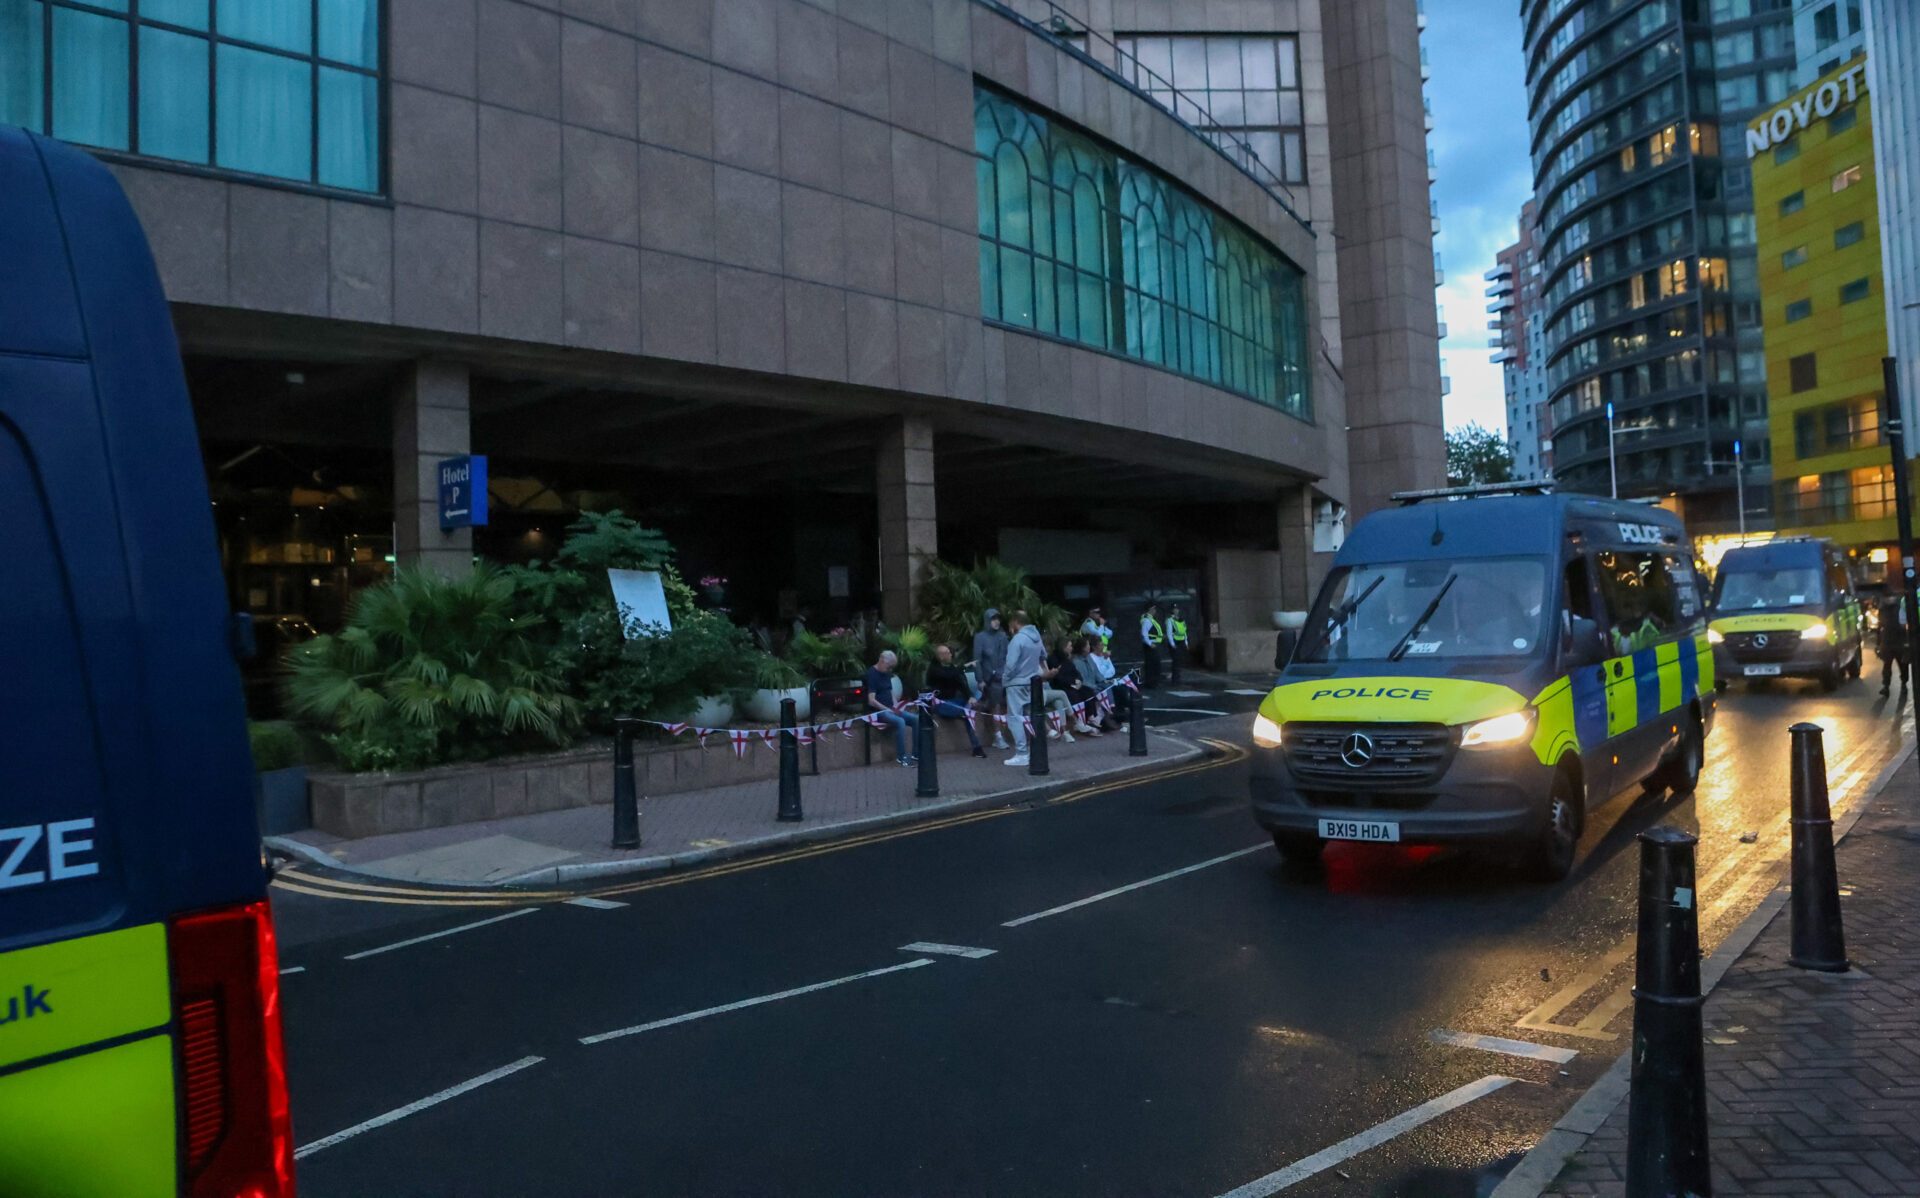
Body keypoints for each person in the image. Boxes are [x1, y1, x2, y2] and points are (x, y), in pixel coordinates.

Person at [925, 643, 988, 757]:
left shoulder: (951, 668)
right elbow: (948, 676)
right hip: (941, 704)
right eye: (948, 653)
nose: (951, 655)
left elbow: (961, 683)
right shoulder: (934, 669)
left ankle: (977, 747)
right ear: (941, 657)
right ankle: (976, 746)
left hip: (954, 701)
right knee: (967, 713)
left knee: (971, 706)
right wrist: (963, 667)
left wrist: (970, 697)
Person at [862, 650, 920, 767]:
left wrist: (896, 705)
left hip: (890, 708)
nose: (890, 670)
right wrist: (886, 709)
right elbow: (871, 700)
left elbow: (889, 691)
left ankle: (916, 753)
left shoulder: (886, 673)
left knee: (916, 719)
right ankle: (901, 756)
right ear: (882, 661)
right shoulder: (872, 674)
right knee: (900, 722)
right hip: (878, 711)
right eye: (889, 667)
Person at [972, 608, 1012, 751]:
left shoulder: (1002, 636)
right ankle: (998, 736)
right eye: (993, 619)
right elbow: (977, 660)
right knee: (995, 702)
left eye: (998, 619)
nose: (996, 622)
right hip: (990, 679)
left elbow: (1008, 657)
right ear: (987, 621)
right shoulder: (980, 637)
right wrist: (980, 679)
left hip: (1004, 676)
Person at [1049, 636, 1100, 736]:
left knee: (1088, 691)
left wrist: (1079, 681)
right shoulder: (1053, 660)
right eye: (1070, 646)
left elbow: (1076, 673)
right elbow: (1058, 678)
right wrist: (1072, 683)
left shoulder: (1068, 660)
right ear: (1064, 647)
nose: (1071, 648)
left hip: (1073, 684)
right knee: (1073, 695)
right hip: (1062, 686)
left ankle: (1090, 717)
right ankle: (1079, 721)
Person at [1878, 585, 1912, 698]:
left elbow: (1904, 623)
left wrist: (1907, 641)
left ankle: (1904, 684)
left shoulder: (1900, 606)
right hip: (1887, 642)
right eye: (1886, 597)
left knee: (1903, 665)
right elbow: (1880, 626)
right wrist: (1879, 643)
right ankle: (1886, 686)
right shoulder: (1882, 608)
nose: (1888, 600)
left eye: (1889, 597)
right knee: (1886, 666)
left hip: (1899, 641)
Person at [1140, 602, 1165, 689]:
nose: (1155, 610)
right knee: (1152, 665)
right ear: (1150, 609)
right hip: (1151, 645)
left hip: (1153, 644)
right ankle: (1152, 683)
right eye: (1153, 609)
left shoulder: (1150, 619)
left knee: (1154, 664)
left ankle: (1153, 682)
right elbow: (1144, 633)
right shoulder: (1147, 620)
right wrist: (1150, 644)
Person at [1167, 605, 1191, 684]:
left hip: (1181, 642)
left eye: (1177, 609)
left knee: (1179, 661)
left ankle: (1178, 678)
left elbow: (1184, 632)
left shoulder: (1182, 620)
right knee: (1176, 661)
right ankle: (1175, 680)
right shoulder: (1170, 620)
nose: (1176, 610)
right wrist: (1172, 643)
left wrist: (1186, 643)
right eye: (1174, 609)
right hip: (1175, 642)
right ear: (1172, 610)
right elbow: (1169, 633)